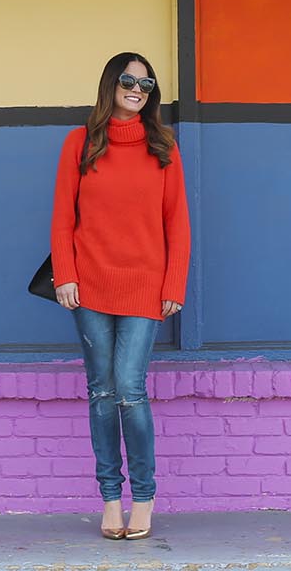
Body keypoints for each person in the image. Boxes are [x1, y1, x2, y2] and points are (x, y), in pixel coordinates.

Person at [49, 51, 191, 541]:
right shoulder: (80, 143)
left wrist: (174, 284)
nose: (137, 89)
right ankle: (111, 500)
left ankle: (144, 500)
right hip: (88, 286)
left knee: (130, 391)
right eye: (128, 80)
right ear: (110, 83)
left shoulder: (163, 146)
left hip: (145, 288)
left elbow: (178, 222)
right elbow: (63, 217)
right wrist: (64, 274)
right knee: (102, 393)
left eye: (146, 84)